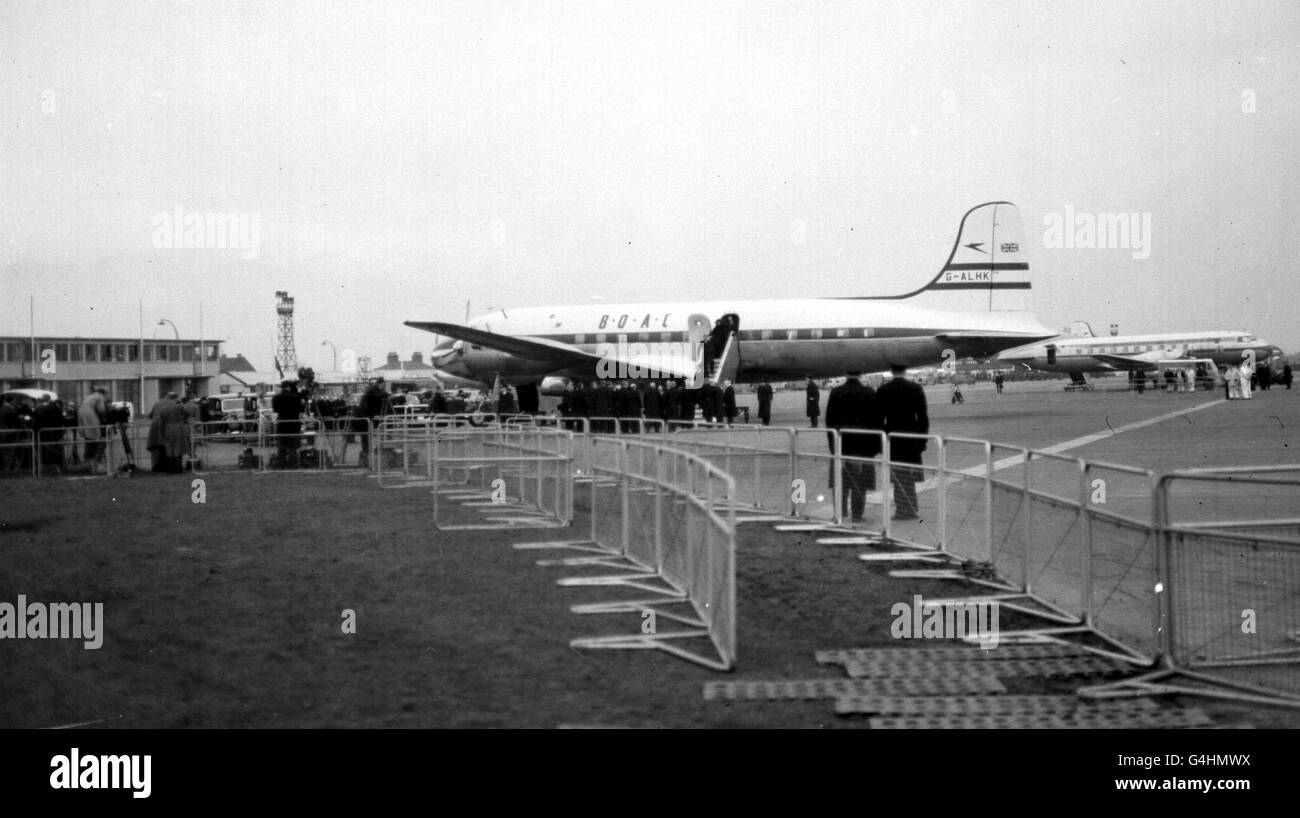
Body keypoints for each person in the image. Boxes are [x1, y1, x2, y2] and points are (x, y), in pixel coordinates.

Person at [825, 369, 882, 523]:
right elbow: (877, 421)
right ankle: (857, 514)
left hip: (841, 444)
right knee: (860, 483)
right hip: (863, 447)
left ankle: (839, 513)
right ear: (861, 375)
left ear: (845, 374)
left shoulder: (836, 392)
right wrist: (876, 448)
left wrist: (833, 446)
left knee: (840, 483)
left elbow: (829, 421)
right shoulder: (869, 392)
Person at [878, 363, 929, 521]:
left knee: (897, 475)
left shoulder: (883, 390)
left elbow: (878, 419)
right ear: (905, 371)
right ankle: (912, 508)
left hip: (894, 439)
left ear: (892, 372)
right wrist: (922, 440)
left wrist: (884, 437)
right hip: (912, 438)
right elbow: (922, 417)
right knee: (910, 475)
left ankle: (902, 509)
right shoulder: (916, 388)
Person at [355, 377, 388, 468]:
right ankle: (366, 457)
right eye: (384, 385)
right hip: (363, 416)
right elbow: (379, 395)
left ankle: (366, 456)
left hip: (365, 415)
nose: (384, 387)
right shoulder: (374, 390)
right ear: (381, 383)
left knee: (366, 437)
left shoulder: (372, 390)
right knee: (365, 437)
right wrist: (387, 395)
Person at [78, 387, 109, 471]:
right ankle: (96, 462)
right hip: (89, 413)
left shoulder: (89, 396)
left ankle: (88, 461)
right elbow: (101, 409)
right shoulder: (100, 396)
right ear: (103, 393)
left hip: (81, 412)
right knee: (95, 435)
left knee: (87, 435)